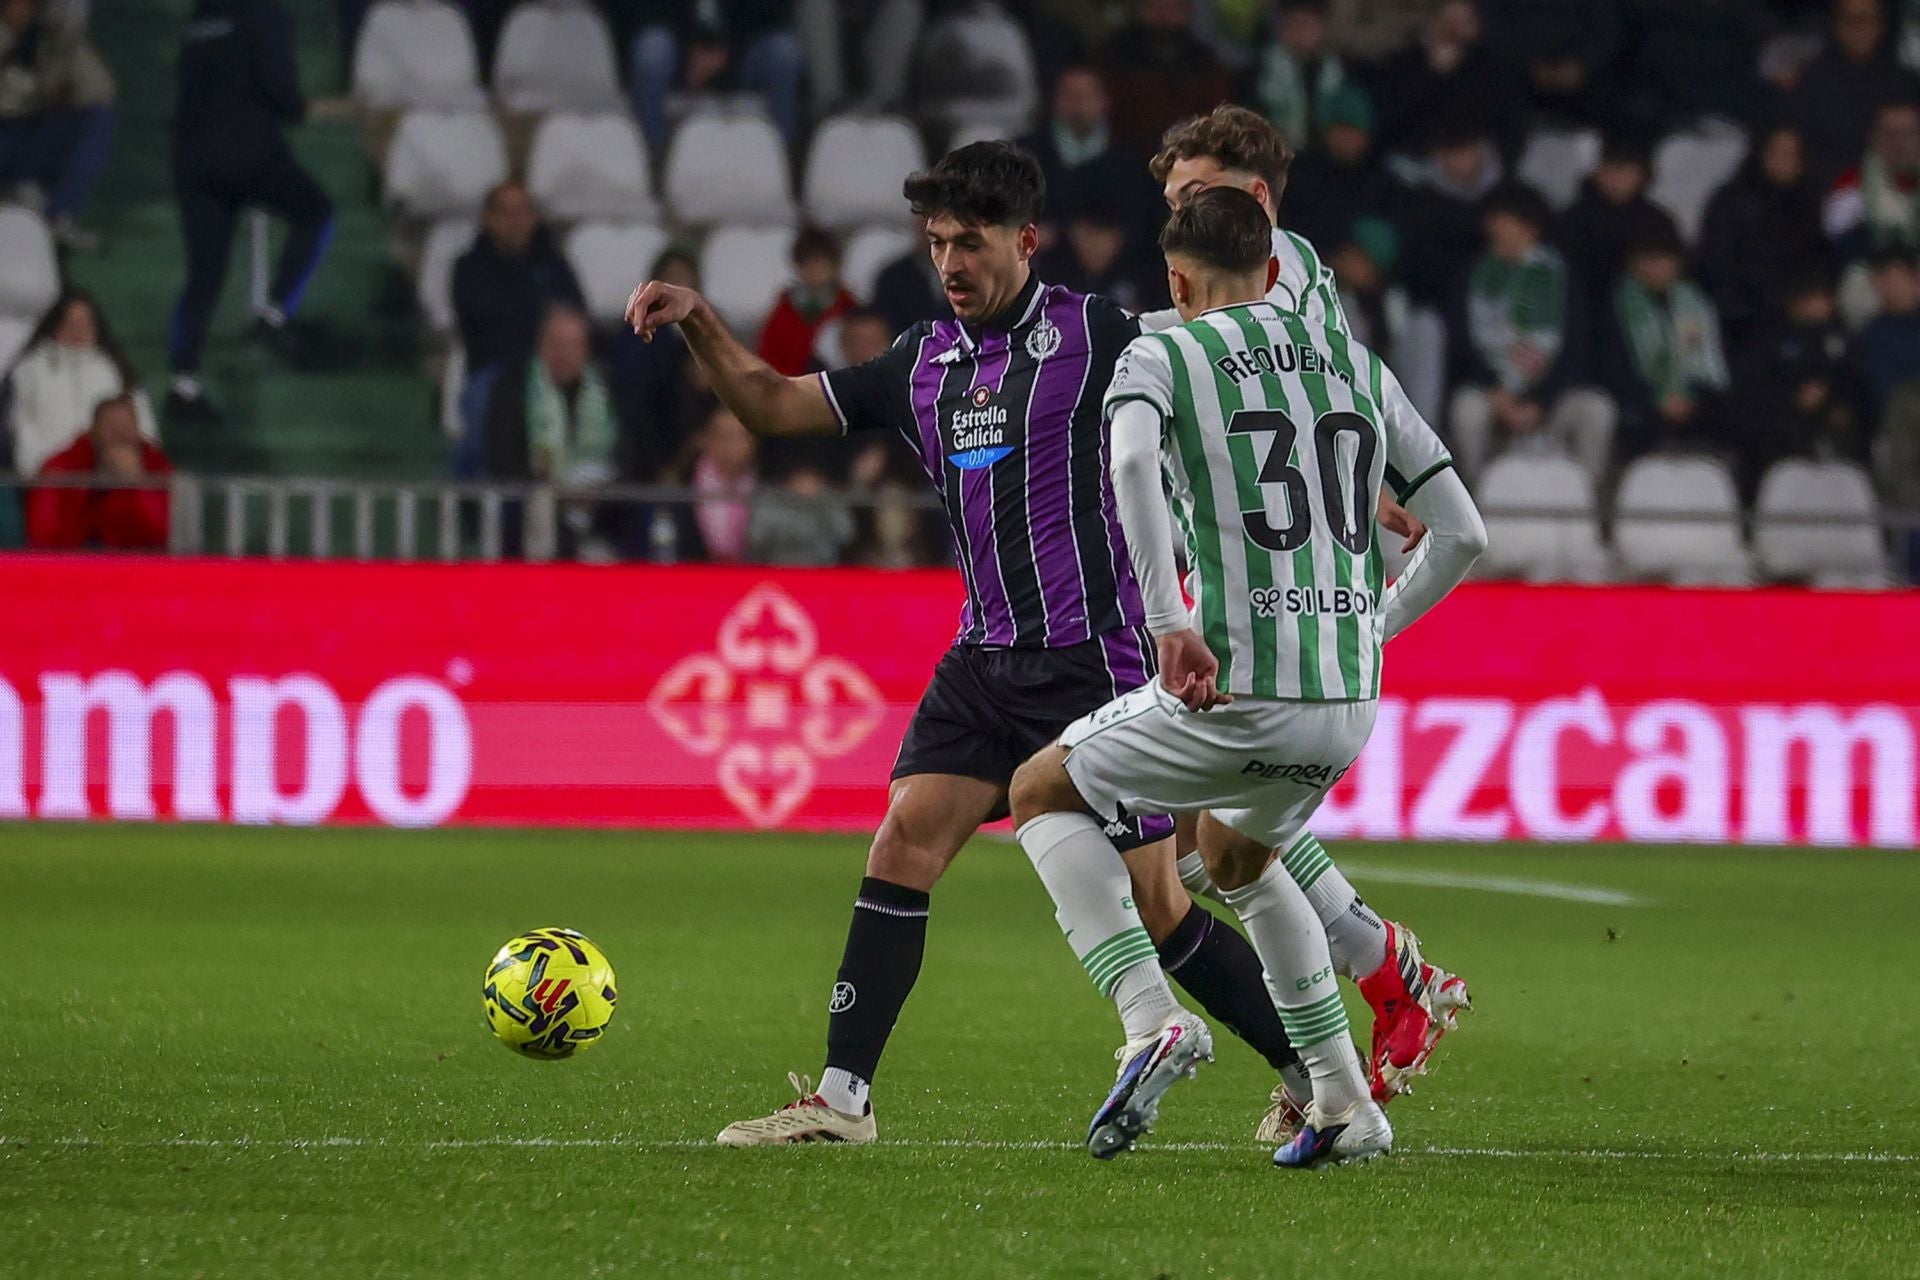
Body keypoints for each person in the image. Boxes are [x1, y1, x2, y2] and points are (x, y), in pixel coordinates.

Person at [627, 141, 1318, 1147]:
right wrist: (699, 319)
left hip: (1095, 659)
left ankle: (1316, 1076)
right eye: (938, 242)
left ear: (1026, 240)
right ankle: (842, 1100)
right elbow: (770, 403)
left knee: (1159, 900)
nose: (951, 262)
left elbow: (1225, 376)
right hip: (984, 662)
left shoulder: (1099, 334)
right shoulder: (921, 361)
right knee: (903, 841)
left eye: (972, 242)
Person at [1007, 186, 1486, 1166]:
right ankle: (1346, 1104)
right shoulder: (1357, 361)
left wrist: (1169, 623)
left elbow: (1131, 468)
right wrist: (1373, 626)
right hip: (1347, 700)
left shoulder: (1164, 352)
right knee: (1233, 854)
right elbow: (1464, 533)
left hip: (1237, 685)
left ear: (1177, 281)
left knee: (1038, 789)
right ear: (1274, 271)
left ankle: (1151, 1018)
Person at [166, 0, 335, 425]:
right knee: (316, 212)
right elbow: (282, 91)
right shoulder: (265, 13)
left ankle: (182, 383)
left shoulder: (201, 18)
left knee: (204, 276)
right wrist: (297, 107)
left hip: (193, 162)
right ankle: (275, 315)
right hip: (250, 153)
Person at [1449, 183, 1617, 483]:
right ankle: (1475, 493)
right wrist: (1496, 392)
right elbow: (1462, 345)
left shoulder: (1562, 275)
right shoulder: (1472, 273)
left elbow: (1575, 350)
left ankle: (1586, 497)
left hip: (1550, 398)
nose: (1497, 231)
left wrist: (1541, 401)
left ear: (1530, 228)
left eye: (1505, 224)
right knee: (1466, 409)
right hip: (1493, 394)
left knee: (1598, 409)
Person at [451, 181, 584, 476]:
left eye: (524, 212)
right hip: (497, 369)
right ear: (488, 218)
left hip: (552, 368)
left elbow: (574, 313)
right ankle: (474, 494)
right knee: (485, 405)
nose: (516, 220)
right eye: (507, 212)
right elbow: (482, 321)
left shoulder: (553, 265)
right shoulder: (469, 268)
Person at [1695, 123, 1833, 349]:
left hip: (1801, 312)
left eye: (1791, 154)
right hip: (1743, 319)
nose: (1783, 161)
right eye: (1777, 153)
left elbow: (1818, 257)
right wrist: (1782, 304)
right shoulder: (1730, 202)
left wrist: (1813, 296)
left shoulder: (1808, 202)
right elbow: (1720, 267)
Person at [1606, 223, 1734, 466]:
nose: (1656, 268)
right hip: (1641, 399)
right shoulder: (1619, 305)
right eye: (1647, 260)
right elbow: (1616, 367)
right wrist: (1658, 398)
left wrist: (1690, 396)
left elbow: (1707, 362)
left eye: (1663, 260)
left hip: (1693, 398)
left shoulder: (1694, 301)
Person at [6, 290, 159, 479]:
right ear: (56, 325)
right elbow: (19, 424)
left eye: (86, 323)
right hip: (48, 478)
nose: (79, 331)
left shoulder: (117, 370)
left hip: (111, 480)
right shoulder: (30, 368)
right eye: (71, 323)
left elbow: (145, 429)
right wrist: (35, 469)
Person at [0, 0, 115, 248]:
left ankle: (58, 217)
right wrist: (9, 30)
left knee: (95, 116)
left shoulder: (58, 27)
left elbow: (96, 92)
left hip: (33, 136)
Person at [613, 0, 803, 149]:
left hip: (742, 50)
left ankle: (783, 156)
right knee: (651, 52)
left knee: (783, 53)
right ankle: (651, 155)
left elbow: (775, 13)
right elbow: (638, 11)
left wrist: (726, 51)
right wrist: (691, 50)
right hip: (676, 49)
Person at [26, 393, 172, 549]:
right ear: (93, 432)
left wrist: (136, 483)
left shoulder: (158, 467)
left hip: (141, 560)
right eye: (111, 427)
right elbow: (42, 536)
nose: (120, 435)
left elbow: (164, 534)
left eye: (127, 427)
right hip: (76, 559)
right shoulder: (60, 468)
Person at [1824, 99, 1920, 258]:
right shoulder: (1850, 186)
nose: (1899, 143)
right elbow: (1839, 247)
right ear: (1874, 138)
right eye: (1889, 134)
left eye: (1908, 133)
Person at [756, 226, 856, 378]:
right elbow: (768, 356)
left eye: (821, 264)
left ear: (835, 266)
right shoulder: (784, 309)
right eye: (807, 265)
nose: (815, 271)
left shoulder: (848, 307)